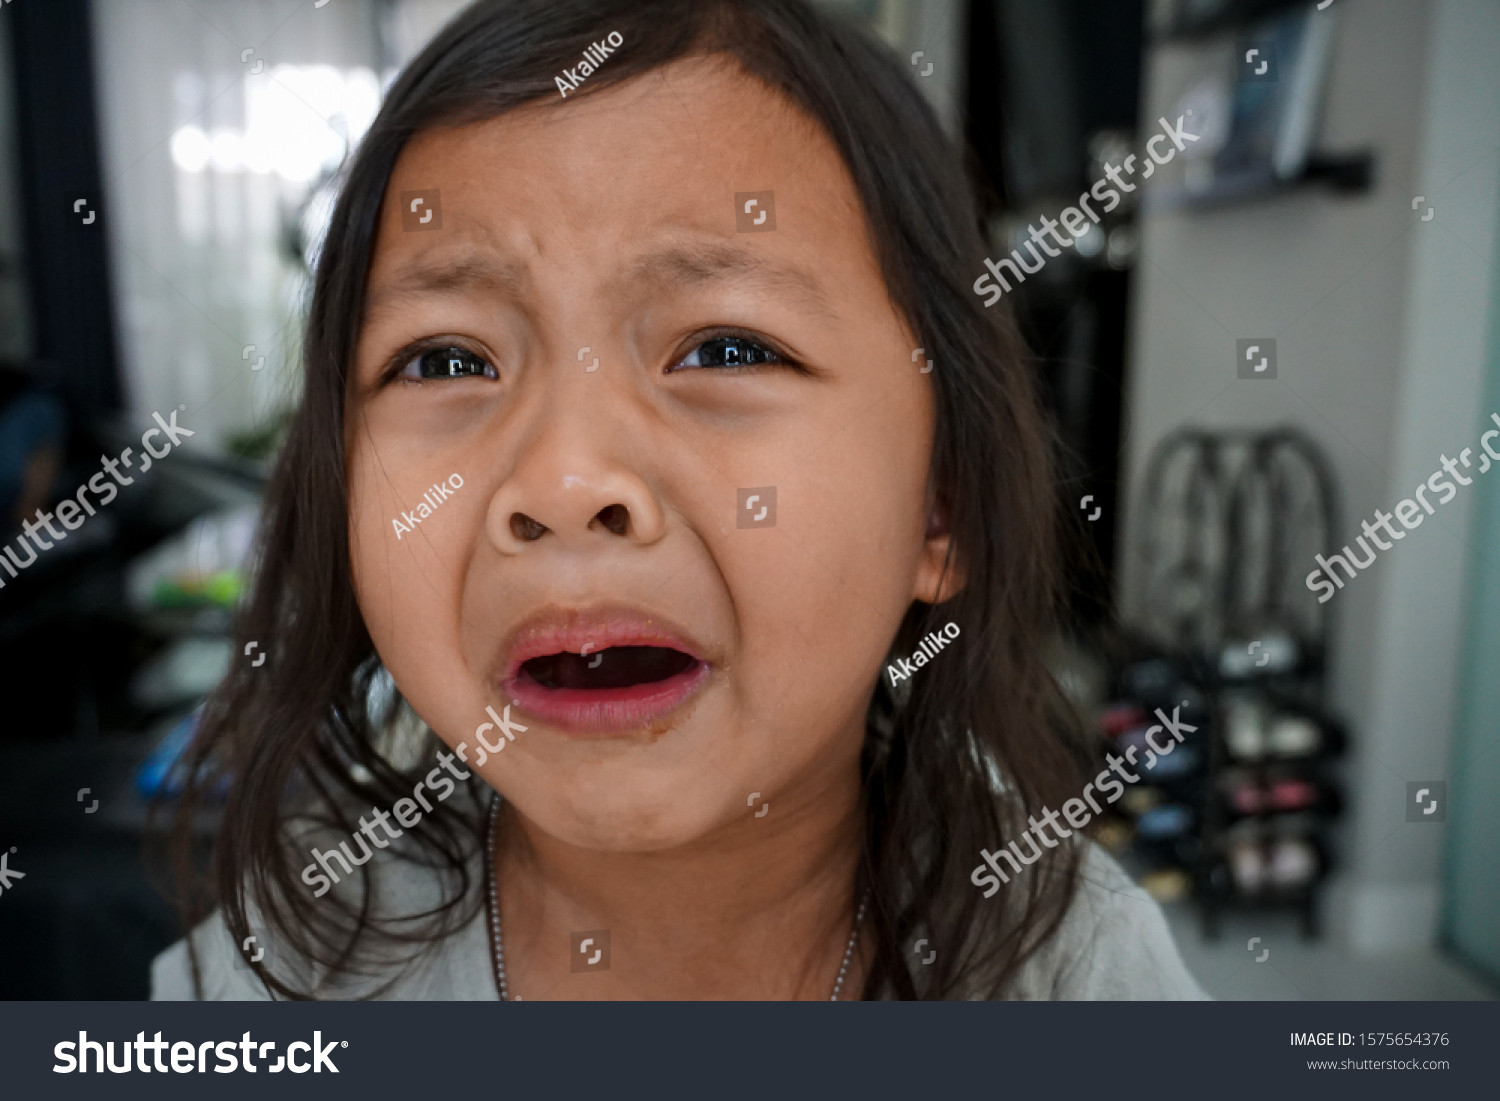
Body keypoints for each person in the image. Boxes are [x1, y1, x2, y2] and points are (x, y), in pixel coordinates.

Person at [153, 0, 1204, 1001]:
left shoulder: (1078, 980)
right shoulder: (276, 973)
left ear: (942, 507)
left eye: (726, 348)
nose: (565, 485)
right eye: (446, 360)